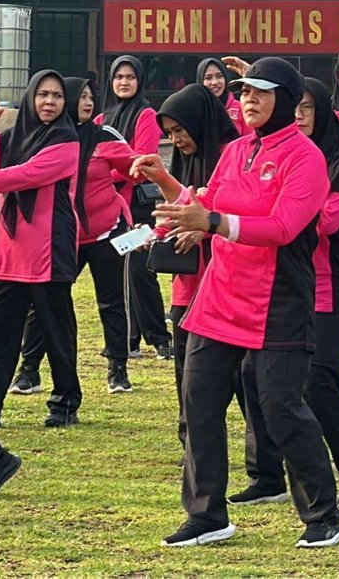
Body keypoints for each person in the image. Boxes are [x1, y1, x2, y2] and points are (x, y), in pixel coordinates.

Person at [143, 57, 339, 549]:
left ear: (288, 100)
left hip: (278, 301)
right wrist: (169, 189)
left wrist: (210, 222)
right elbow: (208, 200)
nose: (248, 100)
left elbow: (281, 228)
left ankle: (325, 516)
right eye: (243, 93)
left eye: (260, 92)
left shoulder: (307, 158)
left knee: (280, 409)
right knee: (199, 404)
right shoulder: (235, 151)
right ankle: (207, 515)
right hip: (218, 297)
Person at [231, 79, 339, 510]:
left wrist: (272, 213)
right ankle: (266, 475)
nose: (297, 115)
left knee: (319, 386)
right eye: (293, 106)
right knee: (253, 379)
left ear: (323, 113)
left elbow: (324, 221)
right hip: (271, 287)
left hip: (323, 290)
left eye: (306, 108)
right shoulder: (263, 154)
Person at [13, 78, 137, 402]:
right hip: (63, 237)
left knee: (111, 302)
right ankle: (28, 372)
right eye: (80, 97)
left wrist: (120, 186)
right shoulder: (47, 138)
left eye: (90, 97)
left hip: (106, 233)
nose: (87, 103)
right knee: (43, 303)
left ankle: (118, 369)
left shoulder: (104, 136)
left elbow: (135, 168)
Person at [0, 73, 80, 430]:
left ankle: (65, 403)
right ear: (29, 98)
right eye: (42, 95)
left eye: (56, 96)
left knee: (56, 333)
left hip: (47, 251)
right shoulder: (11, 136)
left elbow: (23, 176)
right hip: (8, 252)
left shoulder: (66, 140)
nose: (49, 101)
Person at [144, 83, 238, 447]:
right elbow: (181, 209)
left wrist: (205, 228)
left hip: (226, 283)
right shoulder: (184, 160)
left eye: (179, 130)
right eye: (169, 133)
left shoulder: (232, 154)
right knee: (187, 371)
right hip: (189, 284)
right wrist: (156, 232)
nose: (176, 139)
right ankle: (192, 443)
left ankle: (264, 459)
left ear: (199, 122)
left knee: (237, 377)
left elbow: (232, 214)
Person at [102, 55, 173, 359]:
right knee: (117, 274)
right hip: (105, 204)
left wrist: (103, 174)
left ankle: (157, 338)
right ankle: (128, 341)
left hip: (134, 204)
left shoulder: (145, 114)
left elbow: (140, 160)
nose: (124, 82)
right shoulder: (101, 118)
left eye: (130, 77)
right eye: (119, 77)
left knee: (139, 271)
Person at [197, 57, 249, 136]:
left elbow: (250, 141)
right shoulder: (196, 110)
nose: (214, 82)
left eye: (219, 76)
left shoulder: (241, 108)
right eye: (208, 78)